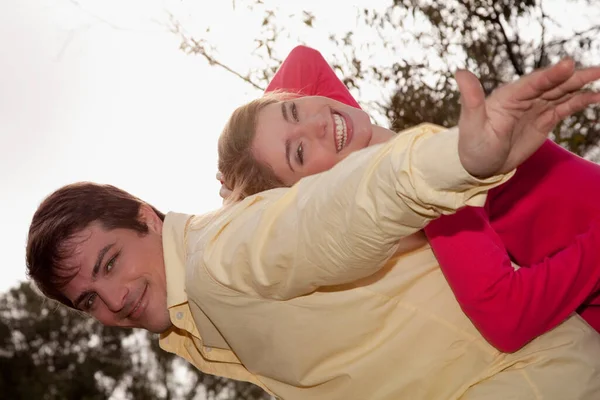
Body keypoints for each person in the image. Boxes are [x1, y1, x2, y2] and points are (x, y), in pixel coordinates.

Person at [27, 61, 600, 399]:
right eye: (88, 300)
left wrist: (458, 160)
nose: (113, 299)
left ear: (146, 217)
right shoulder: (193, 324)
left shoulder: (213, 257)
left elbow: (329, 218)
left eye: (108, 264)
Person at [218, 45, 600, 351]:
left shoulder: (361, 139)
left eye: (294, 109)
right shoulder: (432, 199)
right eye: (298, 152)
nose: (316, 122)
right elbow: (506, 320)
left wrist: (241, 191)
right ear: (311, 196)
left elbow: (303, 61)